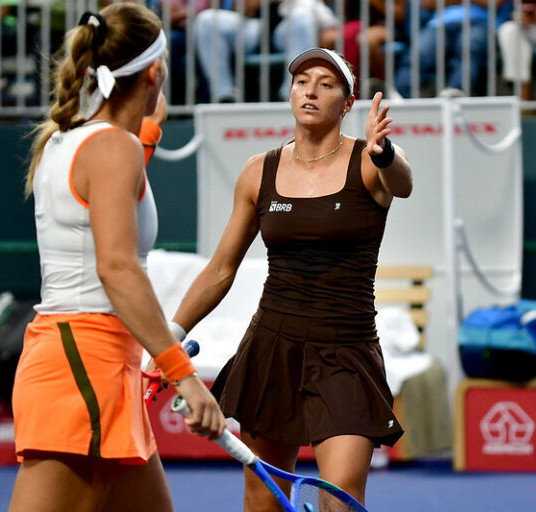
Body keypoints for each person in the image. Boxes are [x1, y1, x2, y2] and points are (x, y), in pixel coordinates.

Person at [167, 48, 412, 509]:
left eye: (326, 83)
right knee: (262, 500)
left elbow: (403, 181)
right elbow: (222, 268)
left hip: (346, 352)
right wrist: (171, 336)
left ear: (347, 101)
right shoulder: (258, 171)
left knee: (338, 500)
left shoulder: (370, 161)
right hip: (271, 350)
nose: (311, 91)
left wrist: (385, 154)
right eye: (302, 81)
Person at [8, 4, 225, 512]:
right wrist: (184, 377)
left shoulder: (71, 138)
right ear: (155, 71)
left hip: (90, 360)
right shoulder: (111, 150)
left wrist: (144, 134)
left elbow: (102, 206)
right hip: (84, 366)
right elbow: (116, 268)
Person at [193, 0, 338, 102]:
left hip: (287, 26)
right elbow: (244, 8)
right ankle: (224, 97)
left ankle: (292, 93)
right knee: (207, 19)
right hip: (253, 27)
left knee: (301, 16)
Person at [395, 0, 512, 98]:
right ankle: (401, 97)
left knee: (469, 50)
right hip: (440, 23)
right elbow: (427, 3)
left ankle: (455, 95)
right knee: (417, 54)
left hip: (480, 23)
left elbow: (494, 2)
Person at [319, 0, 409, 98]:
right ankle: (339, 89)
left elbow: (400, 15)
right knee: (327, 38)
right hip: (356, 25)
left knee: (368, 40)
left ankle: (388, 87)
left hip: (387, 26)